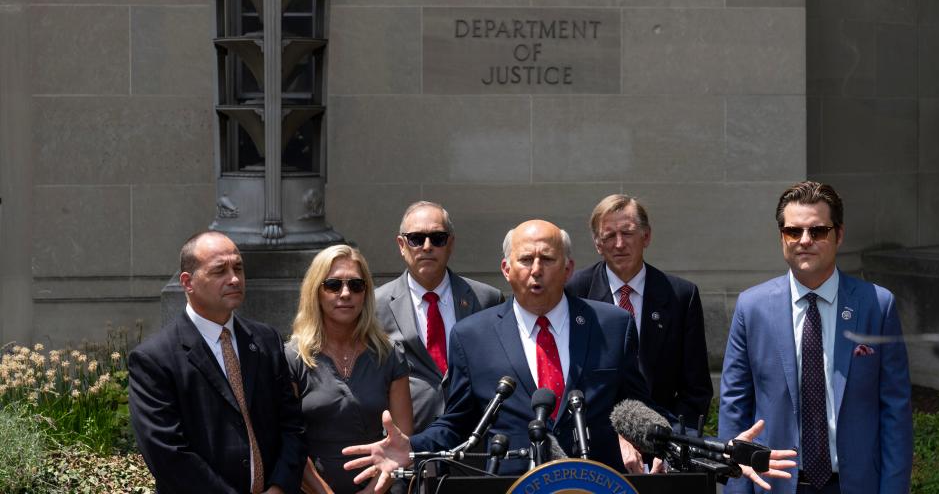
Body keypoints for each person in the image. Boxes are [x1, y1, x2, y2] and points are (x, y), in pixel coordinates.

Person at [345, 220, 796, 492]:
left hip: (598, 486)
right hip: (514, 487)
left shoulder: (611, 326)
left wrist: (716, 454)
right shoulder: (472, 336)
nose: (536, 269)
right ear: (507, 269)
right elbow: (459, 423)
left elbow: (638, 412)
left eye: (547, 258)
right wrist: (412, 449)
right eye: (525, 260)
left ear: (569, 267)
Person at [719, 181, 912, 494]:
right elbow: (734, 408)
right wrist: (735, 485)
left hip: (854, 485)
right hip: (775, 485)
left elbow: (895, 412)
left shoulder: (877, 305)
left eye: (818, 231)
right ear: (782, 236)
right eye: (793, 231)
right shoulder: (752, 307)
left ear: (839, 234)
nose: (804, 241)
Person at [128, 231, 304, 494]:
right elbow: (167, 453)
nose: (234, 279)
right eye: (220, 270)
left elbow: (292, 425)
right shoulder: (154, 359)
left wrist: (279, 487)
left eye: (238, 268)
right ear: (188, 282)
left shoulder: (266, 340)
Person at [567, 194, 712, 423]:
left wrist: (671, 443)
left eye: (627, 233)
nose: (619, 244)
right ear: (598, 244)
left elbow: (696, 389)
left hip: (663, 438)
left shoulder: (681, 296)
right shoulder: (575, 293)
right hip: (596, 440)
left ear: (646, 236)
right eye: (609, 236)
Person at [286, 245, 414, 493]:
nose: (345, 294)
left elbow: (401, 443)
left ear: (366, 293)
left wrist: (372, 492)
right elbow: (289, 443)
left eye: (356, 285)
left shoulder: (389, 354)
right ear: (316, 291)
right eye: (333, 285)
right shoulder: (292, 357)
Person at [375, 201, 504, 432]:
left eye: (437, 238)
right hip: (409, 440)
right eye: (416, 238)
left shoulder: (487, 300)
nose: (427, 246)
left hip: (473, 438)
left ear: (450, 244)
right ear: (402, 245)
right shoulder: (376, 306)